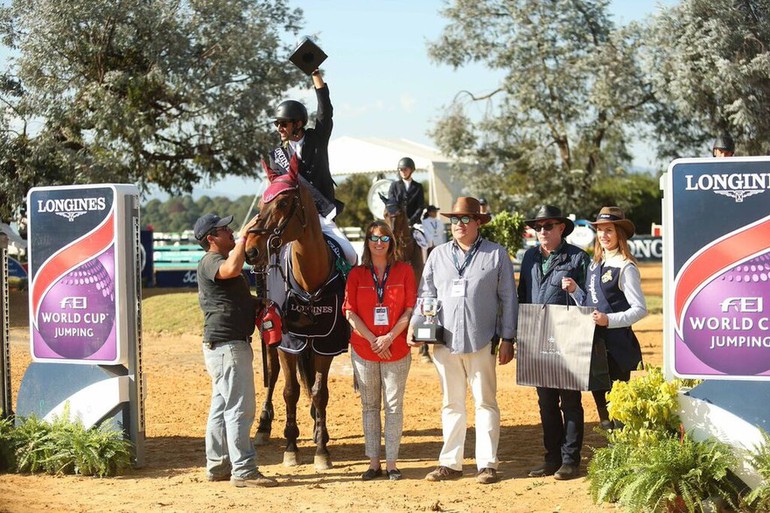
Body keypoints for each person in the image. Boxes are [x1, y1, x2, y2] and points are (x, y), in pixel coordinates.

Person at [409, 197, 517, 485]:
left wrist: (508, 337)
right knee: (451, 403)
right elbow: (426, 295)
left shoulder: (496, 255)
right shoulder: (438, 255)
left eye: (464, 219)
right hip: (444, 341)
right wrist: (416, 328)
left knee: (485, 402)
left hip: (482, 340)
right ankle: (450, 463)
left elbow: (509, 299)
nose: (458, 225)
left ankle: (486, 464)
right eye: (454, 220)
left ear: (478, 222)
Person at [193, 213, 278, 488]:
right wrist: (244, 238)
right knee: (240, 408)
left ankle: (218, 465)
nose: (231, 232)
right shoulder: (211, 261)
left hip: (223, 346)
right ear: (211, 239)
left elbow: (229, 295)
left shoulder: (218, 261)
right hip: (228, 345)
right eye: (224, 230)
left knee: (221, 407)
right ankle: (243, 469)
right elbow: (230, 270)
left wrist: (255, 303)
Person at [517, 205, 590, 481]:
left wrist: (577, 289)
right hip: (536, 333)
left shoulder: (578, 258)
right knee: (546, 401)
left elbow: (589, 301)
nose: (543, 231)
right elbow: (522, 295)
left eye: (548, 226)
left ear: (561, 228)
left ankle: (571, 460)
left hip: (569, 334)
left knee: (569, 400)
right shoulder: (529, 258)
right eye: (538, 227)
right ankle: (552, 458)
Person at [343, 220, 417, 482]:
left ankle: (392, 463)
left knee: (394, 406)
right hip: (364, 348)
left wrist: (388, 337)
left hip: (395, 348)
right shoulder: (356, 274)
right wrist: (374, 339)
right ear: (367, 241)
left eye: (384, 238)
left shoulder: (405, 271)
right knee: (370, 406)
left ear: (391, 242)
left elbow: (410, 309)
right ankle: (374, 463)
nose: (379, 243)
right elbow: (350, 312)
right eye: (374, 238)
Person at [562, 206, 646, 430]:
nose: (603, 235)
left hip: (617, 346)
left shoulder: (626, 267)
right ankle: (614, 453)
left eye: (609, 230)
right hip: (595, 345)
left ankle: (623, 454)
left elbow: (640, 309)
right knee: (602, 407)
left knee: (618, 408)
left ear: (620, 233)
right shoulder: (594, 264)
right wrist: (575, 291)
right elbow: (590, 306)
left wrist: (609, 320)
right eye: (600, 230)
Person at [269, 68, 357, 266]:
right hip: (291, 219)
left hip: (322, 217)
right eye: (277, 124)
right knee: (273, 261)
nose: (279, 128)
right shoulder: (276, 157)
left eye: (283, 123)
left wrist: (315, 75)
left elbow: (325, 110)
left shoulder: (317, 139)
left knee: (351, 256)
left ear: (298, 123)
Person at [387, 157, 426, 227]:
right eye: (401, 170)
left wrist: (411, 221)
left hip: (414, 223)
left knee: (423, 236)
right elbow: (391, 204)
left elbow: (420, 207)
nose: (403, 172)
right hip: (397, 223)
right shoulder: (394, 186)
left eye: (405, 169)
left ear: (411, 170)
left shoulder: (418, 187)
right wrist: (399, 219)